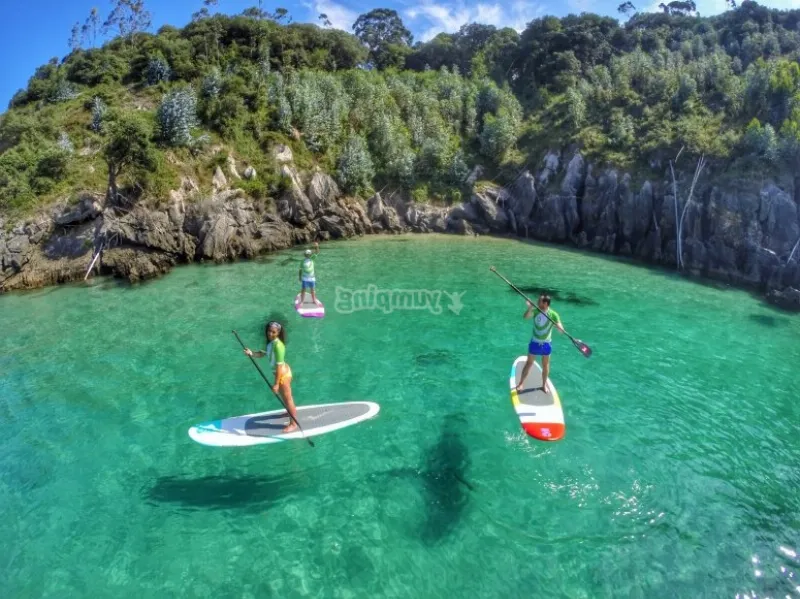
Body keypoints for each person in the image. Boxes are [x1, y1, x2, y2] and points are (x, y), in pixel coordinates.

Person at [243, 321, 298, 433]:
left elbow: (279, 367)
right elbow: (263, 353)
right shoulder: (270, 343)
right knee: (285, 398)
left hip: (283, 376)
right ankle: (289, 412)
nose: (270, 334)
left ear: (278, 333)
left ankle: (293, 424)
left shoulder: (279, 346)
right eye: (269, 331)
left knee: (288, 399)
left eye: (273, 332)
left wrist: (276, 384)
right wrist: (251, 353)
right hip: (280, 374)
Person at [516, 294, 565, 394]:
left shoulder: (553, 315)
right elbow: (525, 317)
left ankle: (543, 385)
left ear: (545, 304)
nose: (537, 302)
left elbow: (561, 330)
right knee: (529, 363)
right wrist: (530, 307)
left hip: (546, 344)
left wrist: (559, 327)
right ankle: (521, 383)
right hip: (535, 342)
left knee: (546, 365)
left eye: (540, 301)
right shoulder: (536, 311)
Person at [298, 241, 321, 306]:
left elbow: (317, 252)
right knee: (303, 290)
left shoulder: (312, 259)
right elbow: (300, 270)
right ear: (305, 254)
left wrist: (317, 246)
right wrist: (299, 277)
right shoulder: (302, 261)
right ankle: (302, 301)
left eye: (309, 254)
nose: (308, 255)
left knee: (312, 290)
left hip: (312, 278)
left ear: (310, 254)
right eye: (307, 254)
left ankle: (314, 300)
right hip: (305, 278)